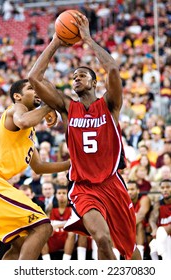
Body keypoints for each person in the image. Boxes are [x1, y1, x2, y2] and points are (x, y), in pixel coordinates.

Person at [28, 13, 141, 260]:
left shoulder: (110, 104)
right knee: (101, 238)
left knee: (130, 250)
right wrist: (56, 41)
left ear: (93, 81)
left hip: (112, 184)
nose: (75, 78)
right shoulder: (69, 108)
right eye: (73, 77)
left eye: (81, 75)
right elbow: (33, 78)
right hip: (84, 188)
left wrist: (88, 39)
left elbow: (112, 67)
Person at [0, 79, 70, 260]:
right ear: (17, 96)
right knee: (43, 226)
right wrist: (48, 107)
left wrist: (74, 163)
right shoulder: (17, 109)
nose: (37, 91)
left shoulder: (29, 133)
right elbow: (22, 121)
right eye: (31, 88)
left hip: (2, 184)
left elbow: (39, 167)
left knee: (21, 243)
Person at [149, 179, 171, 260]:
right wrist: (154, 228)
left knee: (161, 232)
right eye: (162, 188)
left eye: (168, 187)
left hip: (165, 235)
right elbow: (152, 219)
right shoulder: (158, 204)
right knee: (153, 244)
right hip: (162, 237)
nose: (165, 190)